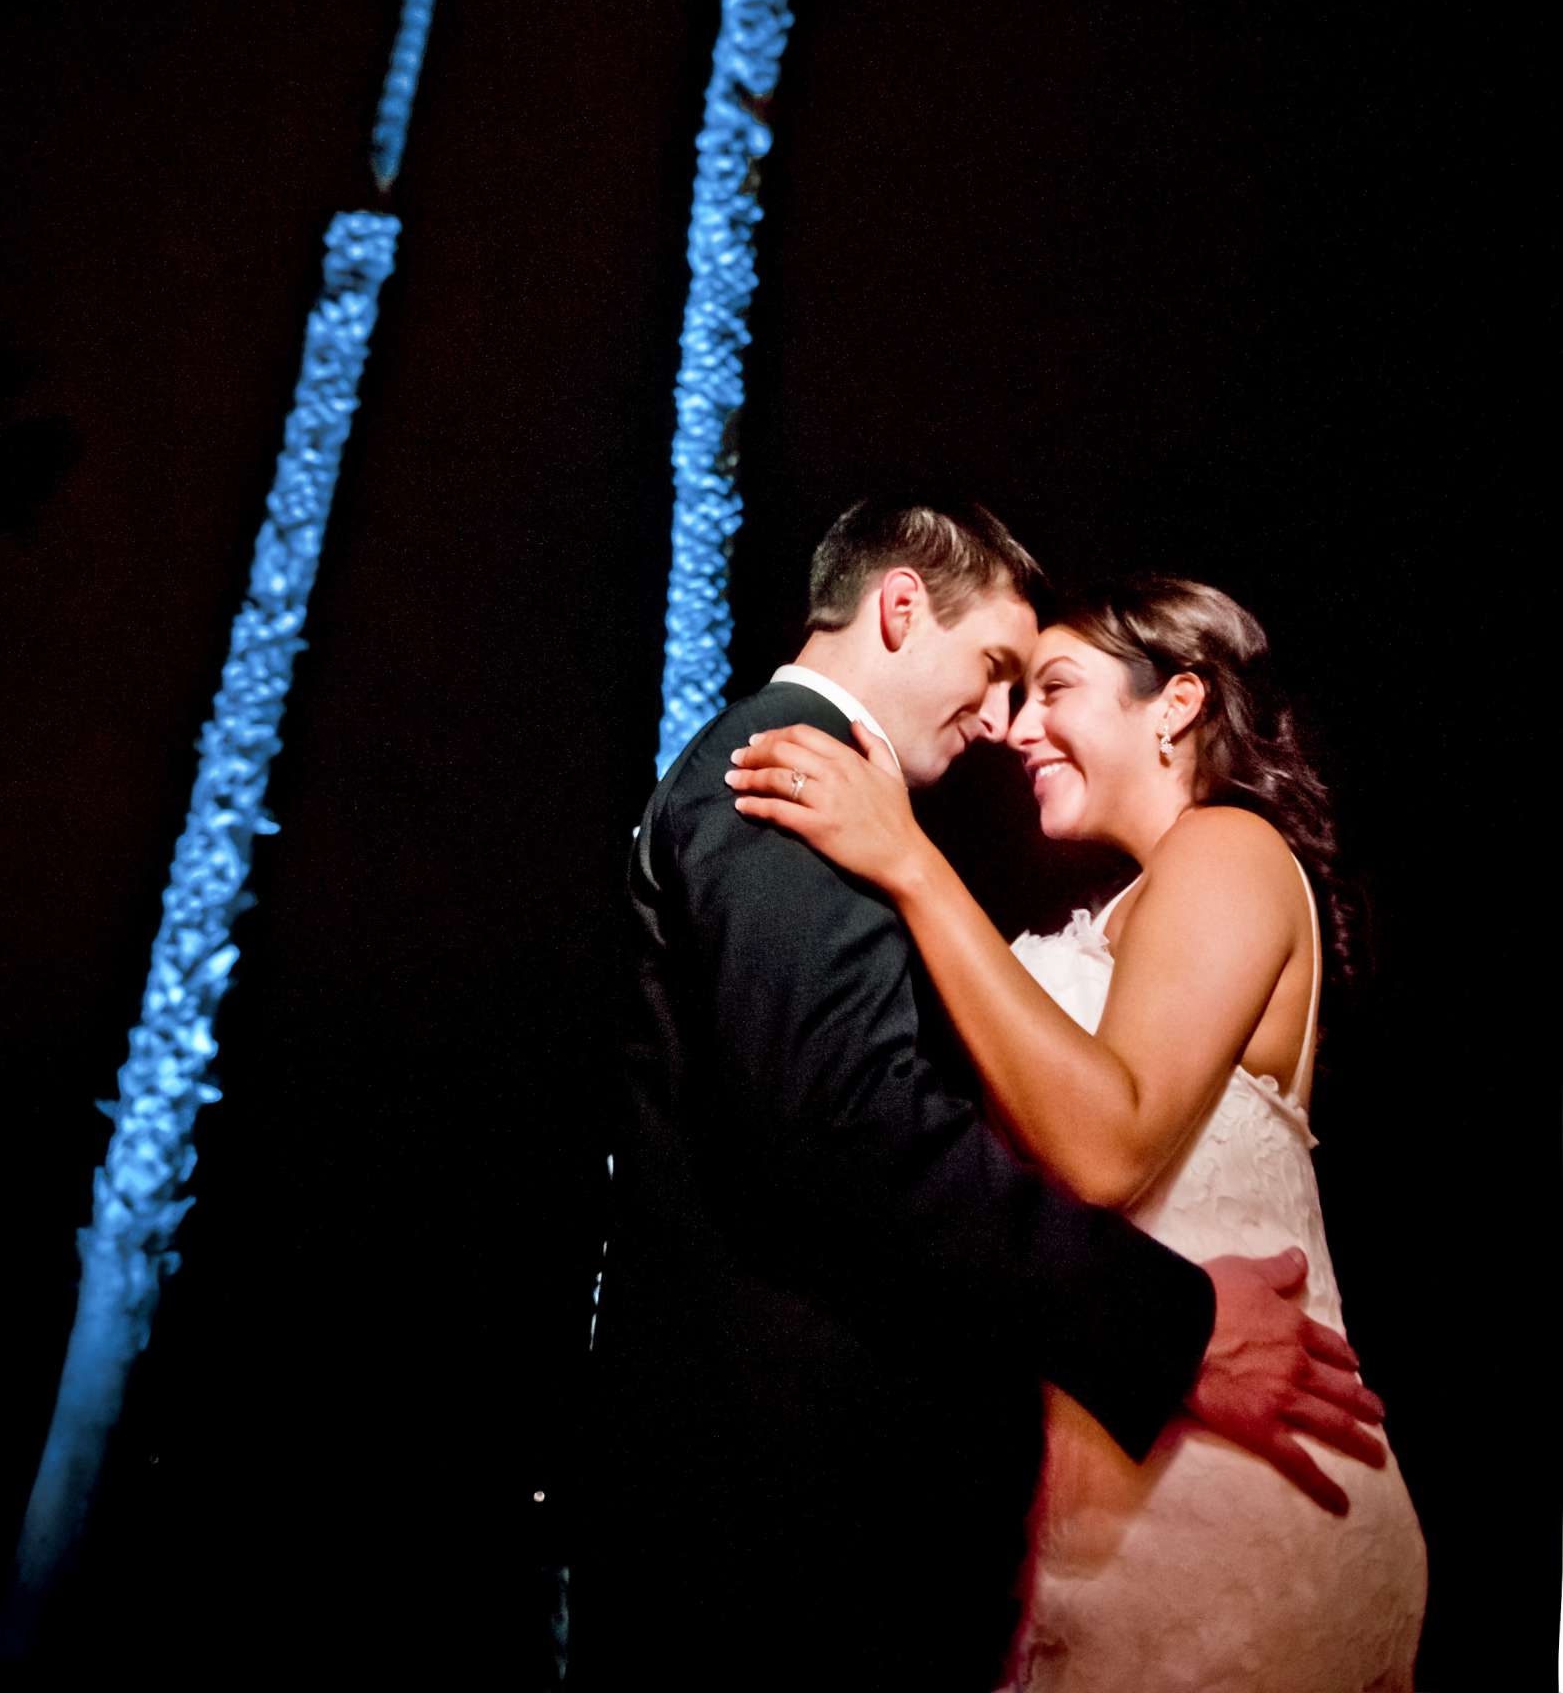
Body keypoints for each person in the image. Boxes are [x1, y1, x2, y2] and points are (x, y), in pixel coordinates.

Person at [571, 507, 1388, 1693]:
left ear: (1178, 703)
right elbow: (859, 1129)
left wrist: (912, 862)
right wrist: (1168, 1334)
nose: (1012, 725)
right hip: (1034, 1475)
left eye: (1049, 685)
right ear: (902, 610)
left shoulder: (1222, 851)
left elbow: (1088, 1144)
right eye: (1007, 676)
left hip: (1217, 1463)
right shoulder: (789, 777)